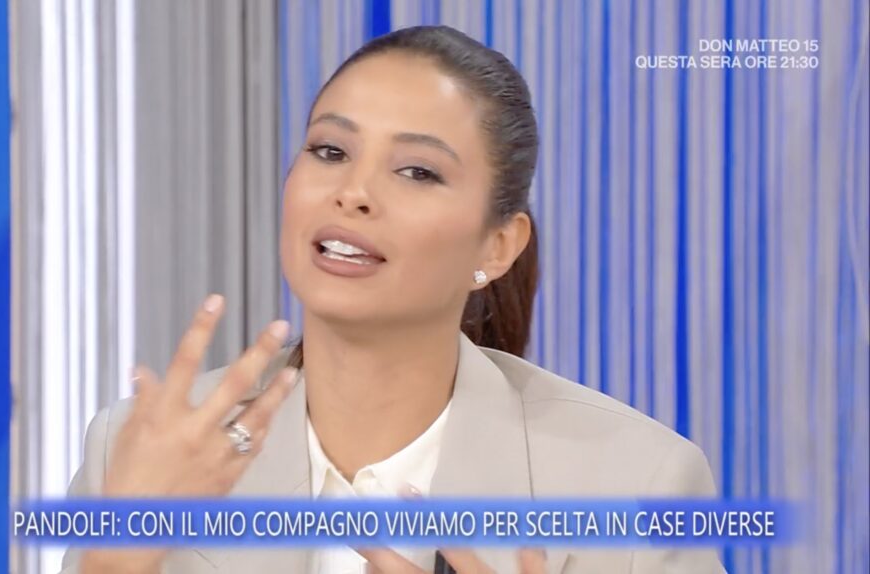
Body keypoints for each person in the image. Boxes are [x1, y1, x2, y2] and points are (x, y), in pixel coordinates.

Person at [62, 25, 725, 574]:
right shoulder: (138, 448)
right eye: (330, 150)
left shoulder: (636, 482)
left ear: (498, 245)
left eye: (417, 171)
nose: (353, 192)